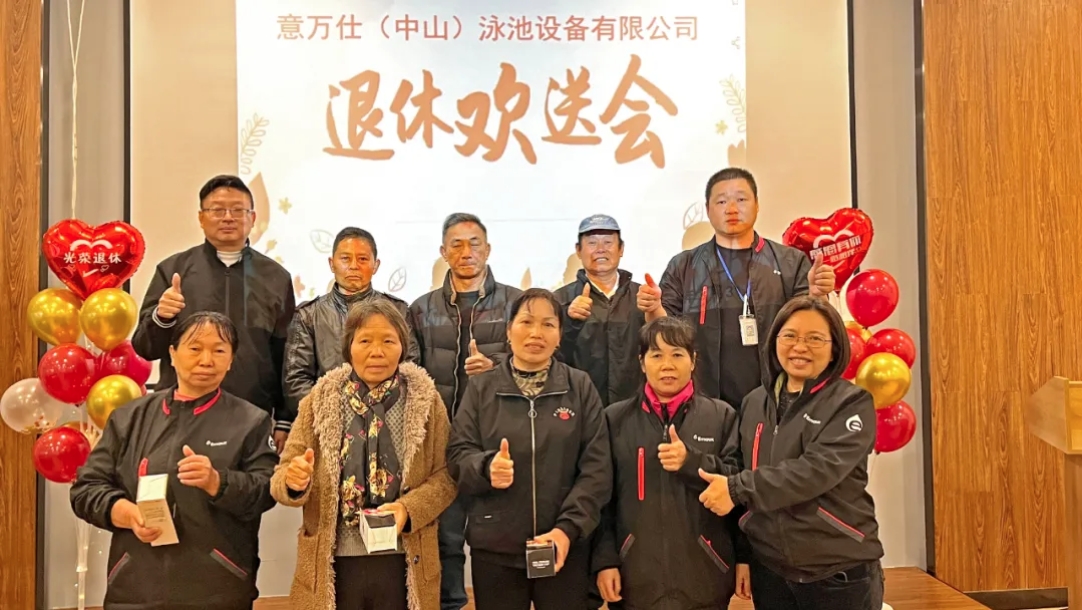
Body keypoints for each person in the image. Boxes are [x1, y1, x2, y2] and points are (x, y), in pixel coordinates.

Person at [70, 312, 279, 610]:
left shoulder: (251, 421)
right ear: (172, 353)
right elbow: (86, 489)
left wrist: (218, 482)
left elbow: (266, 491)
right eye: (195, 348)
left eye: (219, 351)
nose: (206, 360)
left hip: (218, 589)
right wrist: (127, 514)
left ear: (231, 359)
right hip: (134, 588)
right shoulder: (129, 417)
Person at [698, 296, 884, 610]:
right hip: (771, 570)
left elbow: (815, 471)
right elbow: (741, 470)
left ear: (835, 348)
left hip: (837, 570)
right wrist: (690, 461)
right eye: (790, 336)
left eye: (815, 338)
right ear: (774, 341)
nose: (800, 347)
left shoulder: (851, 403)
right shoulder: (755, 402)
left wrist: (736, 488)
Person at [271, 298, 456, 610]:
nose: (377, 351)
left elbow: (448, 476)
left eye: (388, 341)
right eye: (365, 341)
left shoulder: (426, 401)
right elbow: (282, 477)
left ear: (403, 346)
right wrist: (293, 481)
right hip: (335, 560)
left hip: (404, 556)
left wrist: (408, 509)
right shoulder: (320, 400)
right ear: (349, 347)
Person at [447, 288, 612, 610]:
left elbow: (597, 469)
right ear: (508, 331)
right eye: (526, 322)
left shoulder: (579, 386)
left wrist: (567, 530)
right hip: (495, 548)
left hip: (564, 547)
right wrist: (486, 468)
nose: (536, 333)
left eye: (548, 324)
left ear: (560, 336)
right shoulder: (481, 387)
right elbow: (457, 456)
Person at [640, 167, 836, 409]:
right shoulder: (684, 265)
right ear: (708, 209)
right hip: (703, 402)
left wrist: (817, 295)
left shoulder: (790, 262)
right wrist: (654, 308)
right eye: (722, 201)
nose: (732, 209)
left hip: (775, 399)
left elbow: (811, 329)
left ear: (757, 205)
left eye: (741, 200)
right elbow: (664, 333)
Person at [592, 316, 749, 609]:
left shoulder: (722, 416)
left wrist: (691, 462)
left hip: (706, 575)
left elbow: (739, 486)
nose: (667, 365)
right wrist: (605, 560)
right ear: (641, 362)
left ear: (693, 361)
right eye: (656, 355)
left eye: (677, 355)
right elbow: (601, 498)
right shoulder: (614, 419)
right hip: (634, 578)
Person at [408, 212, 522, 610]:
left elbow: (539, 362)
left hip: (499, 440)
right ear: (443, 252)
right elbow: (409, 375)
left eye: (474, 243)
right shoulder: (421, 309)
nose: (466, 252)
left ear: (488, 250)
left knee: (498, 538)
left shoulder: (516, 303)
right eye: (456, 244)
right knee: (447, 539)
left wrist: (496, 368)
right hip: (443, 443)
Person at [132, 174, 296, 451]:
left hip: (251, 415)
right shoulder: (173, 270)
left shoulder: (276, 277)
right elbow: (145, 348)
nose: (228, 217)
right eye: (218, 210)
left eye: (238, 210)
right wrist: (162, 318)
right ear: (201, 217)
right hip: (180, 414)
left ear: (253, 218)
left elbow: (286, 354)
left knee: (248, 479)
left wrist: (284, 419)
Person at [282, 227, 418, 451]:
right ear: (331, 263)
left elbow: (410, 368)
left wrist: (376, 410)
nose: (354, 266)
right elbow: (296, 380)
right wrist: (333, 413)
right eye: (345, 258)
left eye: (362, 259)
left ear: (376, 265)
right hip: (325, 429)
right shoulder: (308, 315)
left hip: (389, 425)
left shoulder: (398, 310)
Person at [554, 214, 649, 405]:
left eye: (608, 242)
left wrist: (655, 311)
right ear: (578, 250)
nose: (600, 249)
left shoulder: (643, 297)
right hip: (579, 406)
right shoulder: (559, 300)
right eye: (592, 243)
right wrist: (570, 321)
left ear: (621, 249)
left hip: (635, 407)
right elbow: (552, 358)